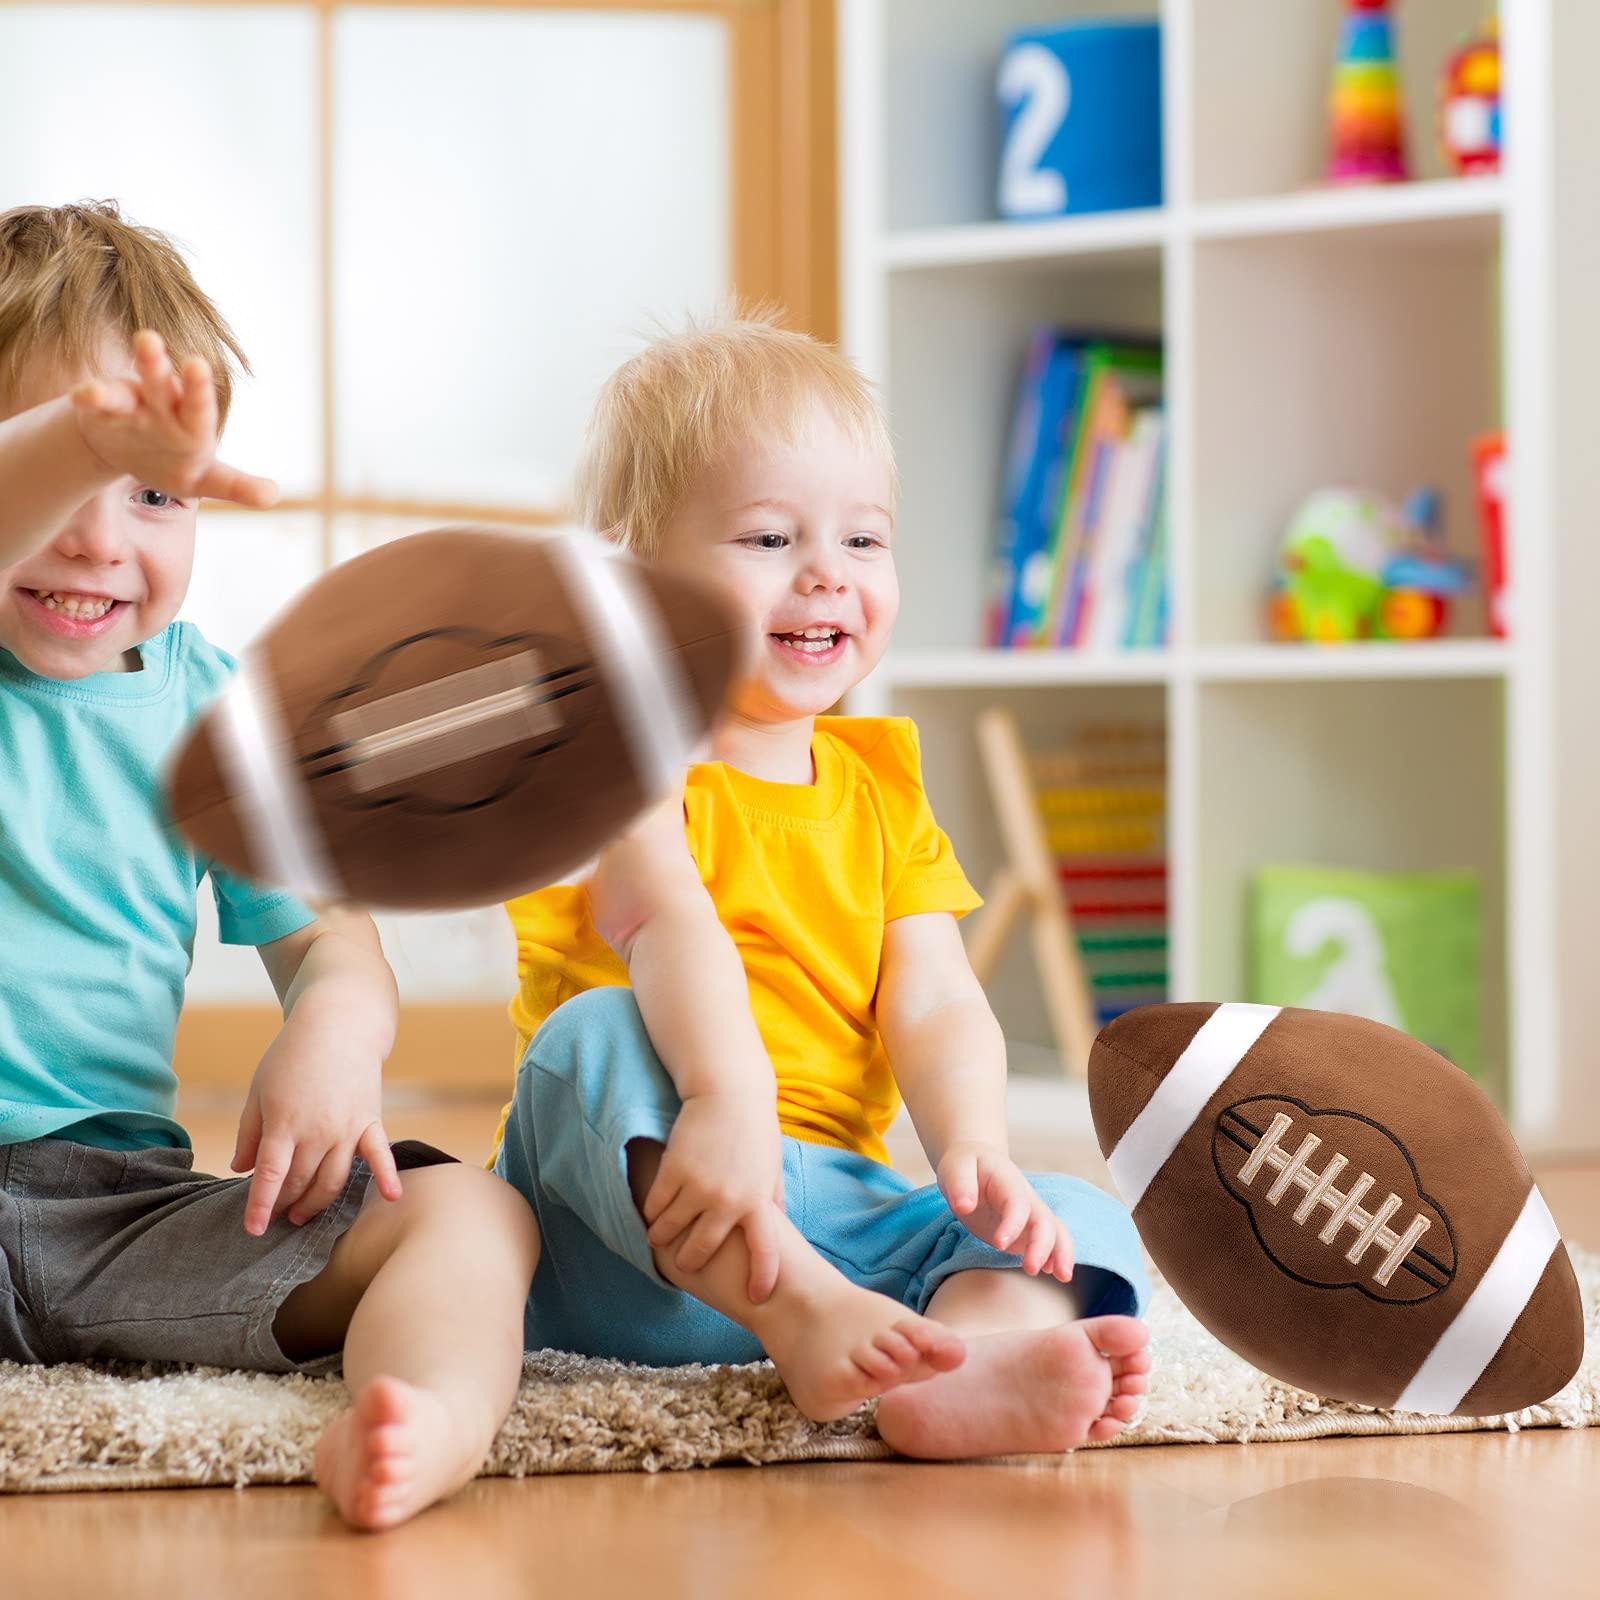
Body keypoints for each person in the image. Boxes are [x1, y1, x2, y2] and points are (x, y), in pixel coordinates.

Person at [494, 314, 1151, 1456]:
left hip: (835, 1210)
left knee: (1080, 1214)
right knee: (588, 1043)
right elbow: (663, 919)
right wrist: (727, 1098)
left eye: (862, 540)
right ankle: (797, 1313)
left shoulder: (879, 785)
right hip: (639, 1218)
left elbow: (939, 999)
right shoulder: (615, 760)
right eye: (766, 538)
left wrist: (973, 1149)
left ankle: (963, 1362)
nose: (826, 575)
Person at [0, 201, 538, 1530]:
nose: (98, 536)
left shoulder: (216, 715)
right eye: (65, 474)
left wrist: (338, 1031)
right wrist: (86, 442)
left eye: (156, 490)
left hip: (113, 1203)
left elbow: (335, 941)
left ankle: (429, 1421)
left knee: (475, 1216)